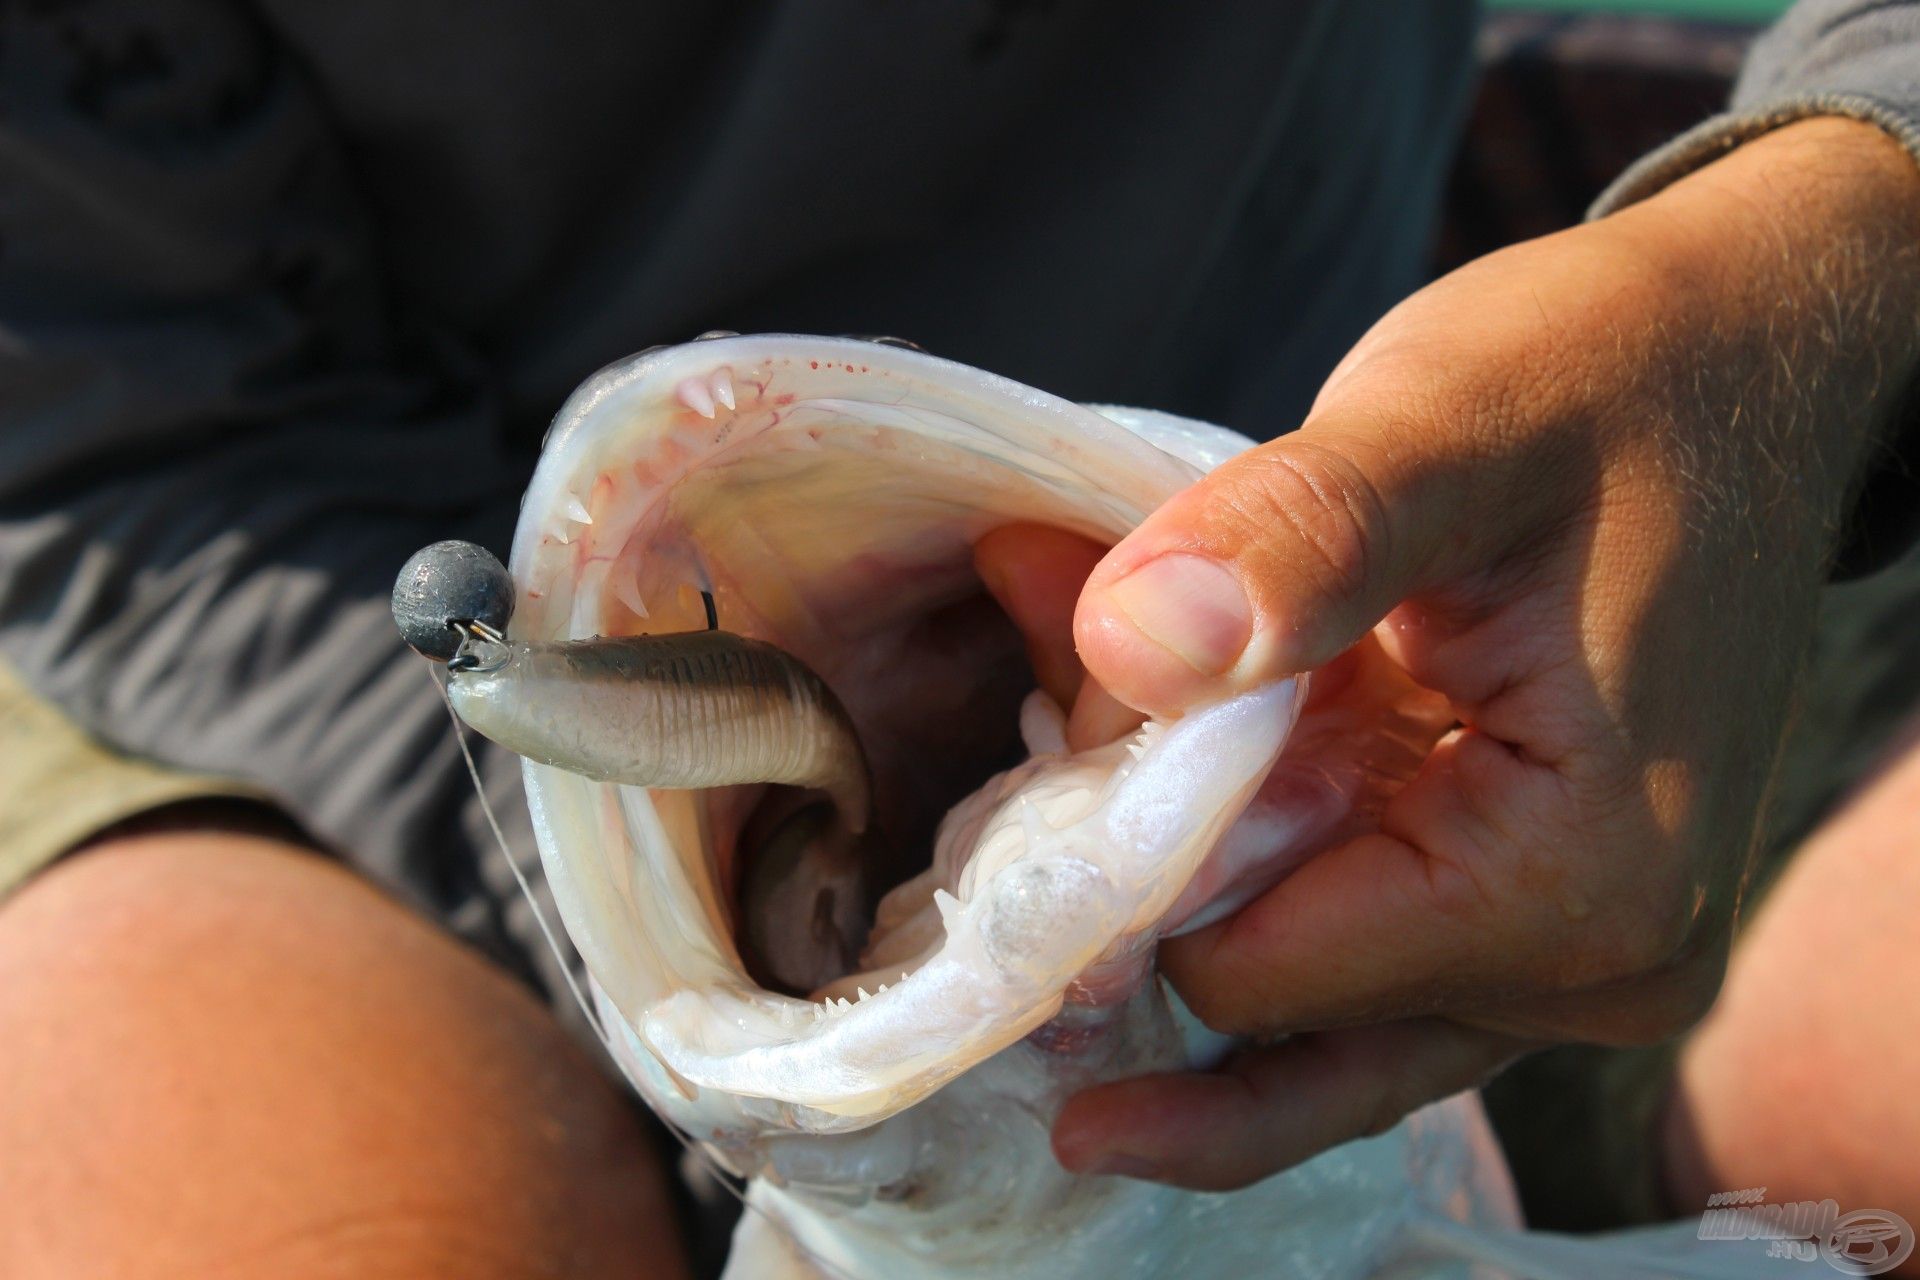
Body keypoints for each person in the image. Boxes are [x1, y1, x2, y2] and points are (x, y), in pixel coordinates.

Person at [1, 1, 1916, 1275]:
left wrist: (1813, 254)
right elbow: (141, 438)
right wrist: (668, 967)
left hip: (1379, 441)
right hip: (309, 617)